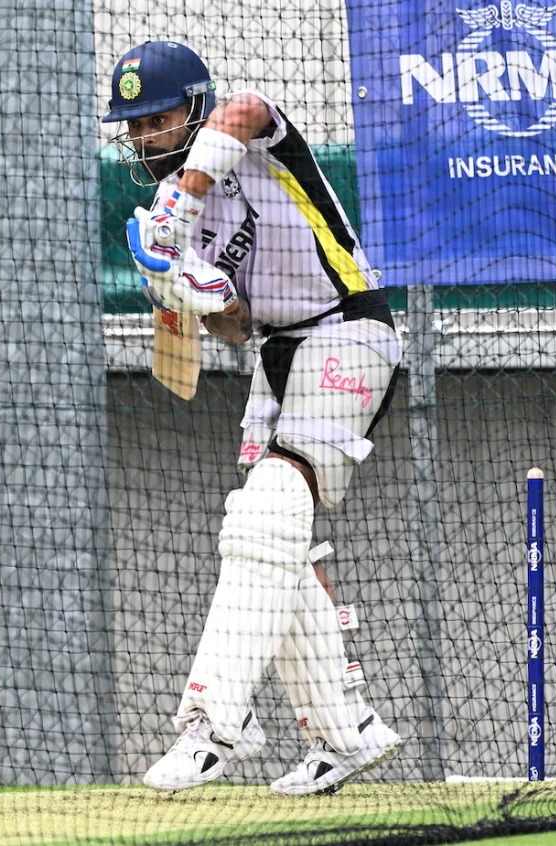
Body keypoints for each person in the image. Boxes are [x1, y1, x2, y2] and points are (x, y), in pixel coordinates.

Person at [104, 40, 405, 796]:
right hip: (275, 355)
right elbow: (236, 327)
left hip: (348, 328)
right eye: (133, 126)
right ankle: (347, 730)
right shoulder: (176, 221)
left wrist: (183, 200)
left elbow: (249, 108)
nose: (145, 137)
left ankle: (210, 727)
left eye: (159, 117)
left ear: (195, 109)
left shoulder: (246, 140)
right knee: (273, 543)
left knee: (266, 514)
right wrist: (192, 295)